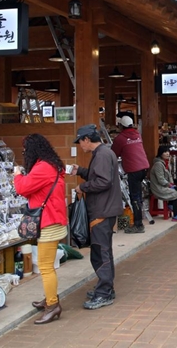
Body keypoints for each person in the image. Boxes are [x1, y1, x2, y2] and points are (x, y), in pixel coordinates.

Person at [14, 134, 67, 325]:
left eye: (25, 150)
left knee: (45, 267)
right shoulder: (51, 164)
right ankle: (50, 298)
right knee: (47, 267)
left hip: (48, 222)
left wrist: (17, 174)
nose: (24, 153)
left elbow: (22, 188)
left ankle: (53, 306)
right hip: (53, 219)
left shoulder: (42, 168)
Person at [69, 124, 123, 310]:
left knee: (101, 252)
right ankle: (105, 288)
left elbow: (102, 181)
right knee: (102, 251)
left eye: (80, 142)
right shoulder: (104, 153)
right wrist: (82, 172)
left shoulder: (101, 155)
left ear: (86, 139)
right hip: (106, 209)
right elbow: (101, 177)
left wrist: (82, 187)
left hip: (102, 210)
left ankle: (104, 292)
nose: (80, 146)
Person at [111, 115, 149, 234]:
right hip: (144, 167)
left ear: (121, 125)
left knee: (135, 197)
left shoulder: (120, 138)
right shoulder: (137, 135)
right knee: (138, 196)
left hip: (134, 170)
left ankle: (138, 224)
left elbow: (113, 154)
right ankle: (139, 220)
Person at [149, 145, 177, 222]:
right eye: (165, 152)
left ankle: (170, 205)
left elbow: (168, 176)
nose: (167, 153)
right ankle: (175, 215)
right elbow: (161, 179)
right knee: (176, 193)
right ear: (161, 153)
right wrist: (170, 185)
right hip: (158, 188)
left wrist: (171, 184)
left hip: (165, 185)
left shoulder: (165, 163)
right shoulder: (158, 164)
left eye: (168, 152)